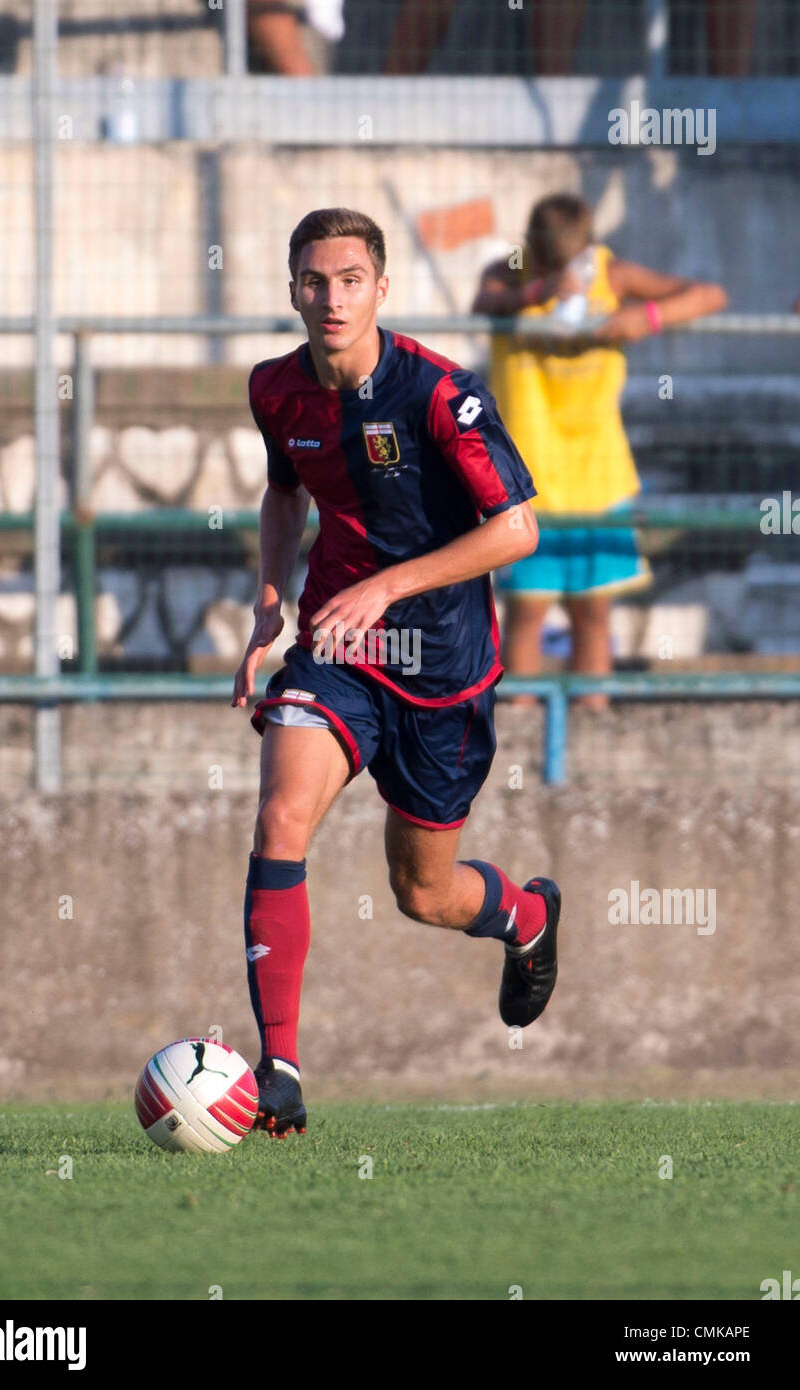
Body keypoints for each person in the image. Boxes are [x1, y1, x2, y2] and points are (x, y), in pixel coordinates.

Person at [232, 207, 561, 1137]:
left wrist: (389, 587)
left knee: (421, 892)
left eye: (348, 280)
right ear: (290, 287)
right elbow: (284, 491)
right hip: (336, 649)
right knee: (279, 817)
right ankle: (282, 1071)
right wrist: (266, 600)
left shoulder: (438, 394)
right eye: (311, 280)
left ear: (381, 287)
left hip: (441, 667)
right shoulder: (272, 390)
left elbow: (517, 528)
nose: (329, 298)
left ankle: (524, 918)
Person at [473, 193, 727, 708]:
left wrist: (647, 317)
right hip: (527, 484)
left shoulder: (612, 276)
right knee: (528, 611)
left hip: (599, 475)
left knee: (594, 612)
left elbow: (710, 295)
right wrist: (542, 291)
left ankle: (595, 721)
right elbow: (486, 302)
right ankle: (519, 733)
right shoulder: (512, 274)